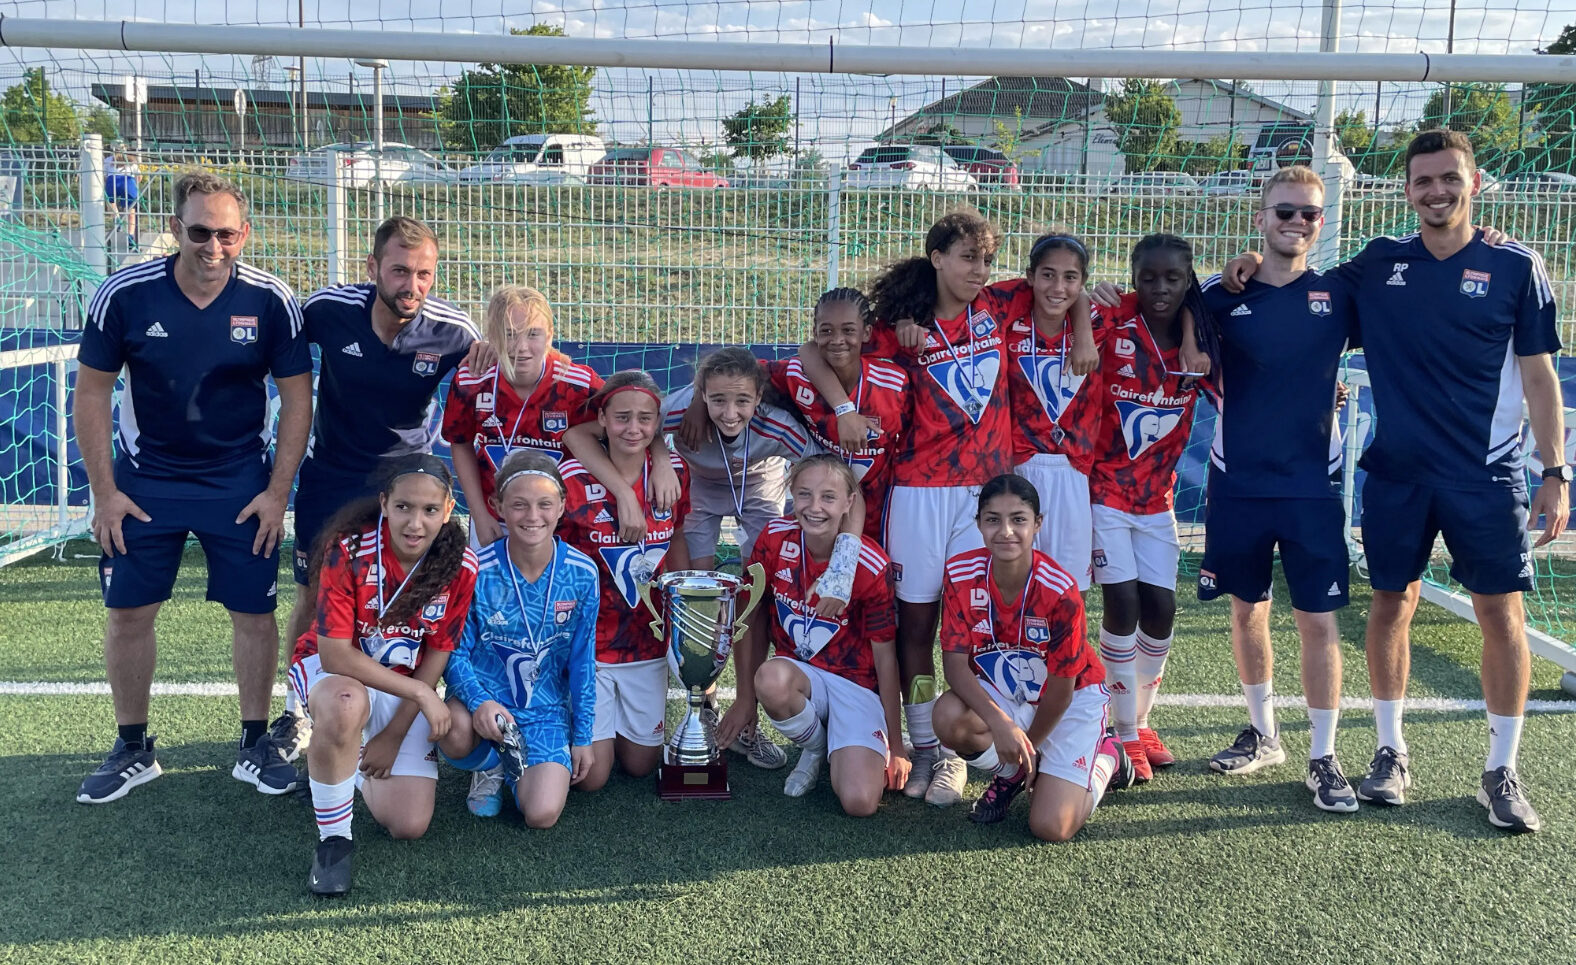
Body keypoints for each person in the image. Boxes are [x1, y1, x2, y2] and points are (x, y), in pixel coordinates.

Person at [1225, 130, 1566, 832]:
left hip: (1487, 474)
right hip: (1397, 474)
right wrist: (1249, 261)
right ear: (1405, 190)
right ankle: (1390, 749)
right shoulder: (1380, 264)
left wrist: (1556, 470)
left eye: (1449, 178)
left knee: (1501, 616)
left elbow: (1539, 375)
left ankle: (1500, 769)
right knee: (1389, 606)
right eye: (1423, 181)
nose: (1436, 191)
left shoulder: (1515, 265)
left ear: (1474, 183)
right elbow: (1300, 283)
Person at [73, 171, 313, 804]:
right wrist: (105, 492)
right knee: (127, 613)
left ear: (245, 234)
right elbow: (92, 393)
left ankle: (255, 743)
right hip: (145, 481)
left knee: (255, 615)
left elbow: (297, 401)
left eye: (227, 234)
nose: (213, 247)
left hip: (238, 482)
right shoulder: (124, 295)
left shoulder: (271, 300)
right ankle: (132, 747)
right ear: (176, 230)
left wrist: (276, 492)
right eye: (200, 232)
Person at [793, 211, 1015, 807]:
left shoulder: (1001, 307)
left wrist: (1081, 320)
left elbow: (1067, 287)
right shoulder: (894, 331)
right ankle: (925, 749)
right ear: (937, 257)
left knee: (976, 627)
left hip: (984, 495)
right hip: (916, 493)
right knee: (916, 625)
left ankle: (975, 746)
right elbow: (809, 352)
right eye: (968, 257)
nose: (980, 270)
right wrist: (840, 405)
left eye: (987, 260)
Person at [1182, 165, 1362, 812]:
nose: (1296, 222)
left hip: (1313, 483)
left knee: (1317, 619)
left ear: (1321, 222)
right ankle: (1264, 733)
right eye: (1283, 211)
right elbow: (1164, 305)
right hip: (1239, 480)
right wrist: (1239, 264)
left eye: (1308, 214)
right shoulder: (1220, 293)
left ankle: (1323, 754)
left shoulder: (1342, 294)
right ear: (1261, 217)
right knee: (1246, 609)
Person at [278, 216, 480, 758]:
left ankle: (398, 713)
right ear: (372, 269)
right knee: (313, 592)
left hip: (406, 480)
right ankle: (301, 712)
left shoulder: (454, 333)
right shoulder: (326, 311)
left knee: (408, 594)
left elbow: (488, 389)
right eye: (398, 271)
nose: (410, 285)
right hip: (332, 474)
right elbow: (275, 352)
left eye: (423, 274)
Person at [288, 455, 477, 896]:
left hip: (402, 682)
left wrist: (394, 733)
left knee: (409, 825)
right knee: (344, 704)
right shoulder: (348, 549)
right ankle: (334, 843)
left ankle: (339, 763)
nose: (416, 522)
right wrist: (421, 694)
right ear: (384, 504)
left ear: (449, 510)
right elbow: (335, 654)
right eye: (404, 507)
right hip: (336, 671)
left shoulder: (461, 566)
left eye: (430, 510)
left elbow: (438, 654)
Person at [934, 474, 1130, 838]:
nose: (1005, 531)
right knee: (948, 717)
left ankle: (1108, 755)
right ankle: (1010, 775)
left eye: (1018, 519)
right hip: (1007, 692)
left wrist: (1032, 747)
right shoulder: (960, 574)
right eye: (992, 519)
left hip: (1068, 702)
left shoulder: (1059, 591)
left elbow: (1062, 689)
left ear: (1037, 524)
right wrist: (1001, 725)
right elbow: (955, 667)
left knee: (1051, 826)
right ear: (978, 524)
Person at [1086, 234, 1215, 783]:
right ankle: (1121, 732)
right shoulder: (1112, 322)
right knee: (1122, 603)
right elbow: (1061, 317)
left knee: (1161, 610)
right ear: (1133, 278)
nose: (1160, 288)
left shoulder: (1205, 339)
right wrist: (1093, 299)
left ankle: (1137, 721)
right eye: (1148, 278)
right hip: (1103, 493)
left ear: (1189, 282)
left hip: (1157, 501)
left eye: (1173, 279)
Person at [441, 286, 682, 549]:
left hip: (559, 518)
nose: (521, 347)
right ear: (492, 337)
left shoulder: (578, 383)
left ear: (550, 335)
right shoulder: (471, 381)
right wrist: (479, 513)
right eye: (509, 335)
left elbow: (630, 421)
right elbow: (460, 442)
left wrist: (661, 459)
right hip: (494, 512)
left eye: (533, 334)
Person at [438, 451, 599, 825]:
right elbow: (455, 653)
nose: (532, 516)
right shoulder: (477, 570)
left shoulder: (582, 573)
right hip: (486, 704)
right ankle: (491, 764)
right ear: (498, 507)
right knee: (454, 727)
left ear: (562, 505)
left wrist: (583, 736)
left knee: (541, 814)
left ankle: (519, 764)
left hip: (544, 710)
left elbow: (582, 661)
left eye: (544, 504)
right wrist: (479, 702)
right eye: (519, 505)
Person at [741, 455, 910, 813]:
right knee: (771, 679)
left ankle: (843, 740)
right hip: (800, 673)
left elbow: (885, 657)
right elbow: (750, 617)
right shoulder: (774, 539)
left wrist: (895, 744)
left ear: (850, 502)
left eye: (828, 497)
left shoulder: (870, 564)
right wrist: (745, 700)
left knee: (860, 802)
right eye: (804, 494)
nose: (814, 507)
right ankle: (816, 749)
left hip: (855, 685)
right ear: (791, 494)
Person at [556, 372, 694, 789]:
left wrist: (684, 606)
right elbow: (555, 562)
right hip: (589, 645)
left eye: (644, 419)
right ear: (601, 418)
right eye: (621, 418)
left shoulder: (674, 474)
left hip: (645, 644)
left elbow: (678, 538)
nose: (633, 428)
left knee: (639, 766)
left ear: (657, 424)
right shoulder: (571, 479)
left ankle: (611, 726)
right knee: (592, 778)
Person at [1000, 231, 1105, 589]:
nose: (1057, 286)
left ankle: (1067, 647)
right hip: (1017, 466)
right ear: (1030, 276)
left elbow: (1165, 302)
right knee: (1014, 582)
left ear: (1083, 282)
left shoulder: (1099, 325)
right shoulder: (1005, 324)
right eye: (1047, 274)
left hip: (1074, 471)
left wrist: (1084, 331)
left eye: (1070, 277)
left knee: (1068, 588)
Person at [764, 288, 908, 542]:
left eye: (848, 330)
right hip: (818, 512)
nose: (837, 339)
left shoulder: (893, 385)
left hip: (883, 512)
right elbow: (739, 375)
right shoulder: (797, 374)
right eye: (826, 330)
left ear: (866, 333)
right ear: (814, 333)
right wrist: (699, 401)